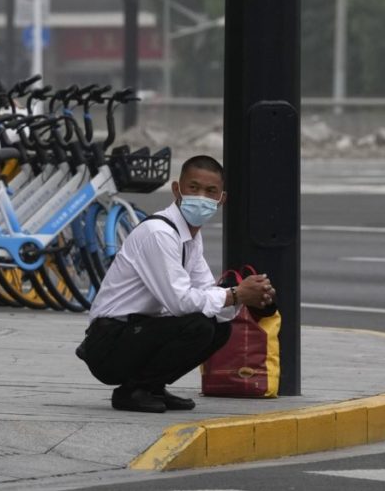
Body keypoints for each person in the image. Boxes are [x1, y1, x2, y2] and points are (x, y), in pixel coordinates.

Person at [77, 155, 275, 413]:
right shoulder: (160, 233)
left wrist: (252, 295)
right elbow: (180, 302)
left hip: (136, 333)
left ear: (221, 200)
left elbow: (207, 293)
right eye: (194, 188)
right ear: (176, 190)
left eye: (211, 191)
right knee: (198, 326)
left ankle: (152, 387)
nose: (201, 196)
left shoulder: (191, 237)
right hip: (108, 343)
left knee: (219, 327)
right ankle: (132, 391)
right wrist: (237, 294)